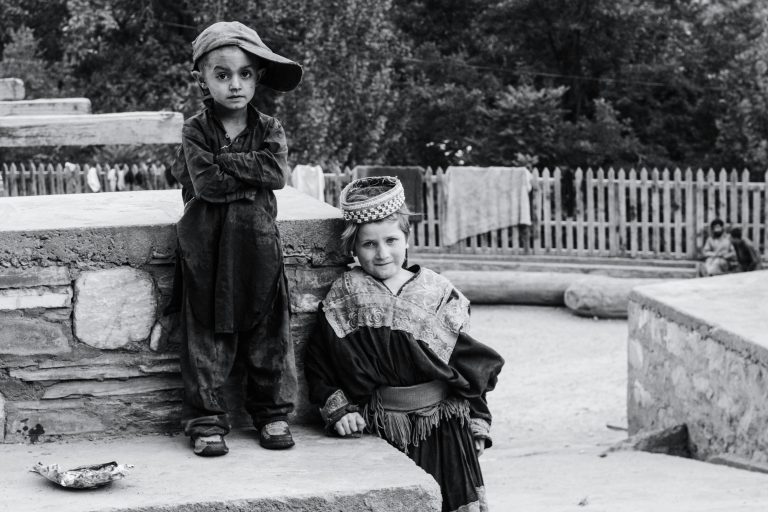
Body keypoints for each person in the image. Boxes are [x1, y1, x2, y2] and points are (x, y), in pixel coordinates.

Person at [304, 176, 504, 512]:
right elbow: (318, 360)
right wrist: (338, 409)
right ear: (353, 248)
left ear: (407, 239)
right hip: (381, 430)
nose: (382, 254)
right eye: (369, 244)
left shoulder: (439, 293)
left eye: (391, 240)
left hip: (445, 430)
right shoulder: (345, 296)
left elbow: (471, 366)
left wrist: (478, 420)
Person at [170, 21, 303, 457]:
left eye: (245, 73)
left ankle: (272, 414)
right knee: (206, 338)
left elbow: (276, 174)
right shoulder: (195, 130)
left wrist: (228, 164)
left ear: (258, 77)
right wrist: (248, 171)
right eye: (222, 74)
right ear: (203, 79)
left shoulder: (270, 128)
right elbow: (205, 184)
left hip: (259, 246)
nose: (235, 84)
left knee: (269, 335)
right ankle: (206, 419)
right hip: (205, 249)